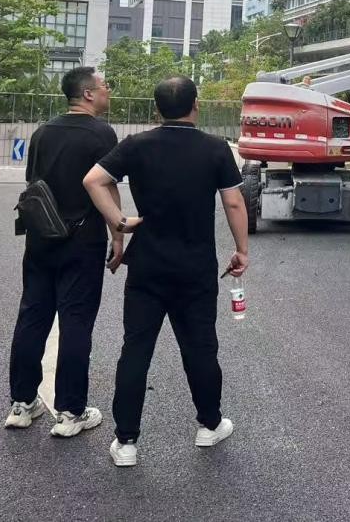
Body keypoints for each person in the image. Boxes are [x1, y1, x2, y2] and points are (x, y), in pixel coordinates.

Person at [83, 76, 249, 468]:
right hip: (195, 267)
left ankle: (126, 441)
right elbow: (233, 203)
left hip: (147, 266)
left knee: (136, 350)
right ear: (196, 105)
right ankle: (209, 424)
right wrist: (241, 249)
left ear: (157, 110)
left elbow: (93, 180)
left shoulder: (137, 145)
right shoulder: (215, 148)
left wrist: (120, 222)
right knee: (201, 348)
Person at [5, 67, 117, 437]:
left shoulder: (42, 132)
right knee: (76, 322)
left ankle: (22, 403)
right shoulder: (101, 134)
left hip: (40, 237)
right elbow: (107, 188)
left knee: (32, 316)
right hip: (82, 241)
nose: (108, 91)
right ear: (88, 94)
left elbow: (33, 183)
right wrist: (118, 236)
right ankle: (71, 411)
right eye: (104, 86)